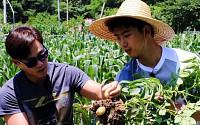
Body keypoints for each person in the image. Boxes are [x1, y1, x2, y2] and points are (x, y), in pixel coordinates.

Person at [89, 0, 200, 122]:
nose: (122, 44)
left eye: (127, 35)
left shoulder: (187, 62)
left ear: (146, 31)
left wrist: (174, 108)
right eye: (118, 38)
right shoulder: (124, 78)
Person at [0, 25, 121, 125]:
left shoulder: (66, 74)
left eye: (43, 55)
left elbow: (99, 91)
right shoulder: (11, 93)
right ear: (16, 63)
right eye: (31, 62)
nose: (40, 63)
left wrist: (111, 89)